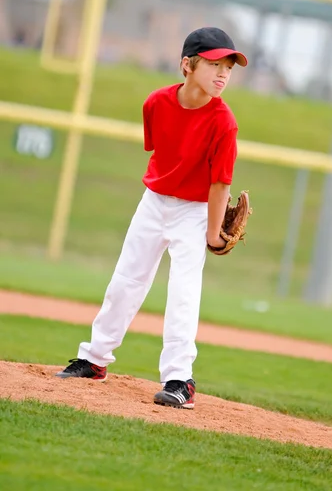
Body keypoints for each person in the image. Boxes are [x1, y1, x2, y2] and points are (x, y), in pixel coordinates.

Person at [56, 27, 248, 409]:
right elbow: (160, 152)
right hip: (154, 201)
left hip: (194, 212)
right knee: (127, 279)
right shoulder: (156, 103)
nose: (223, 74)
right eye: (214, 64)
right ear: (186, 65)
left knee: (183, 292)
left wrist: (212, 233)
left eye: (228, 66)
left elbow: (219, 184)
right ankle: (94, 359)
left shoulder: (224, 122)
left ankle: (180, 380)